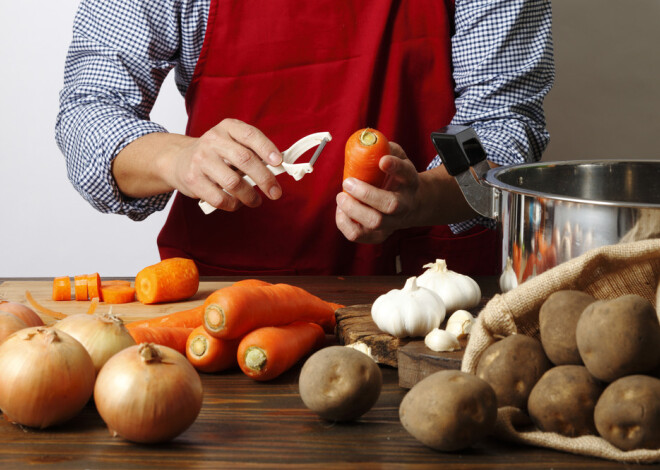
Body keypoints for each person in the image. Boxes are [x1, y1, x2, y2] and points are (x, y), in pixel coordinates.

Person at [56, 0, 554, 276]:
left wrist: (426, 196)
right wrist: (179, 157)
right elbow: (89, 112)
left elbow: (500, 129)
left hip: (424, 290)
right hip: (227, 298)